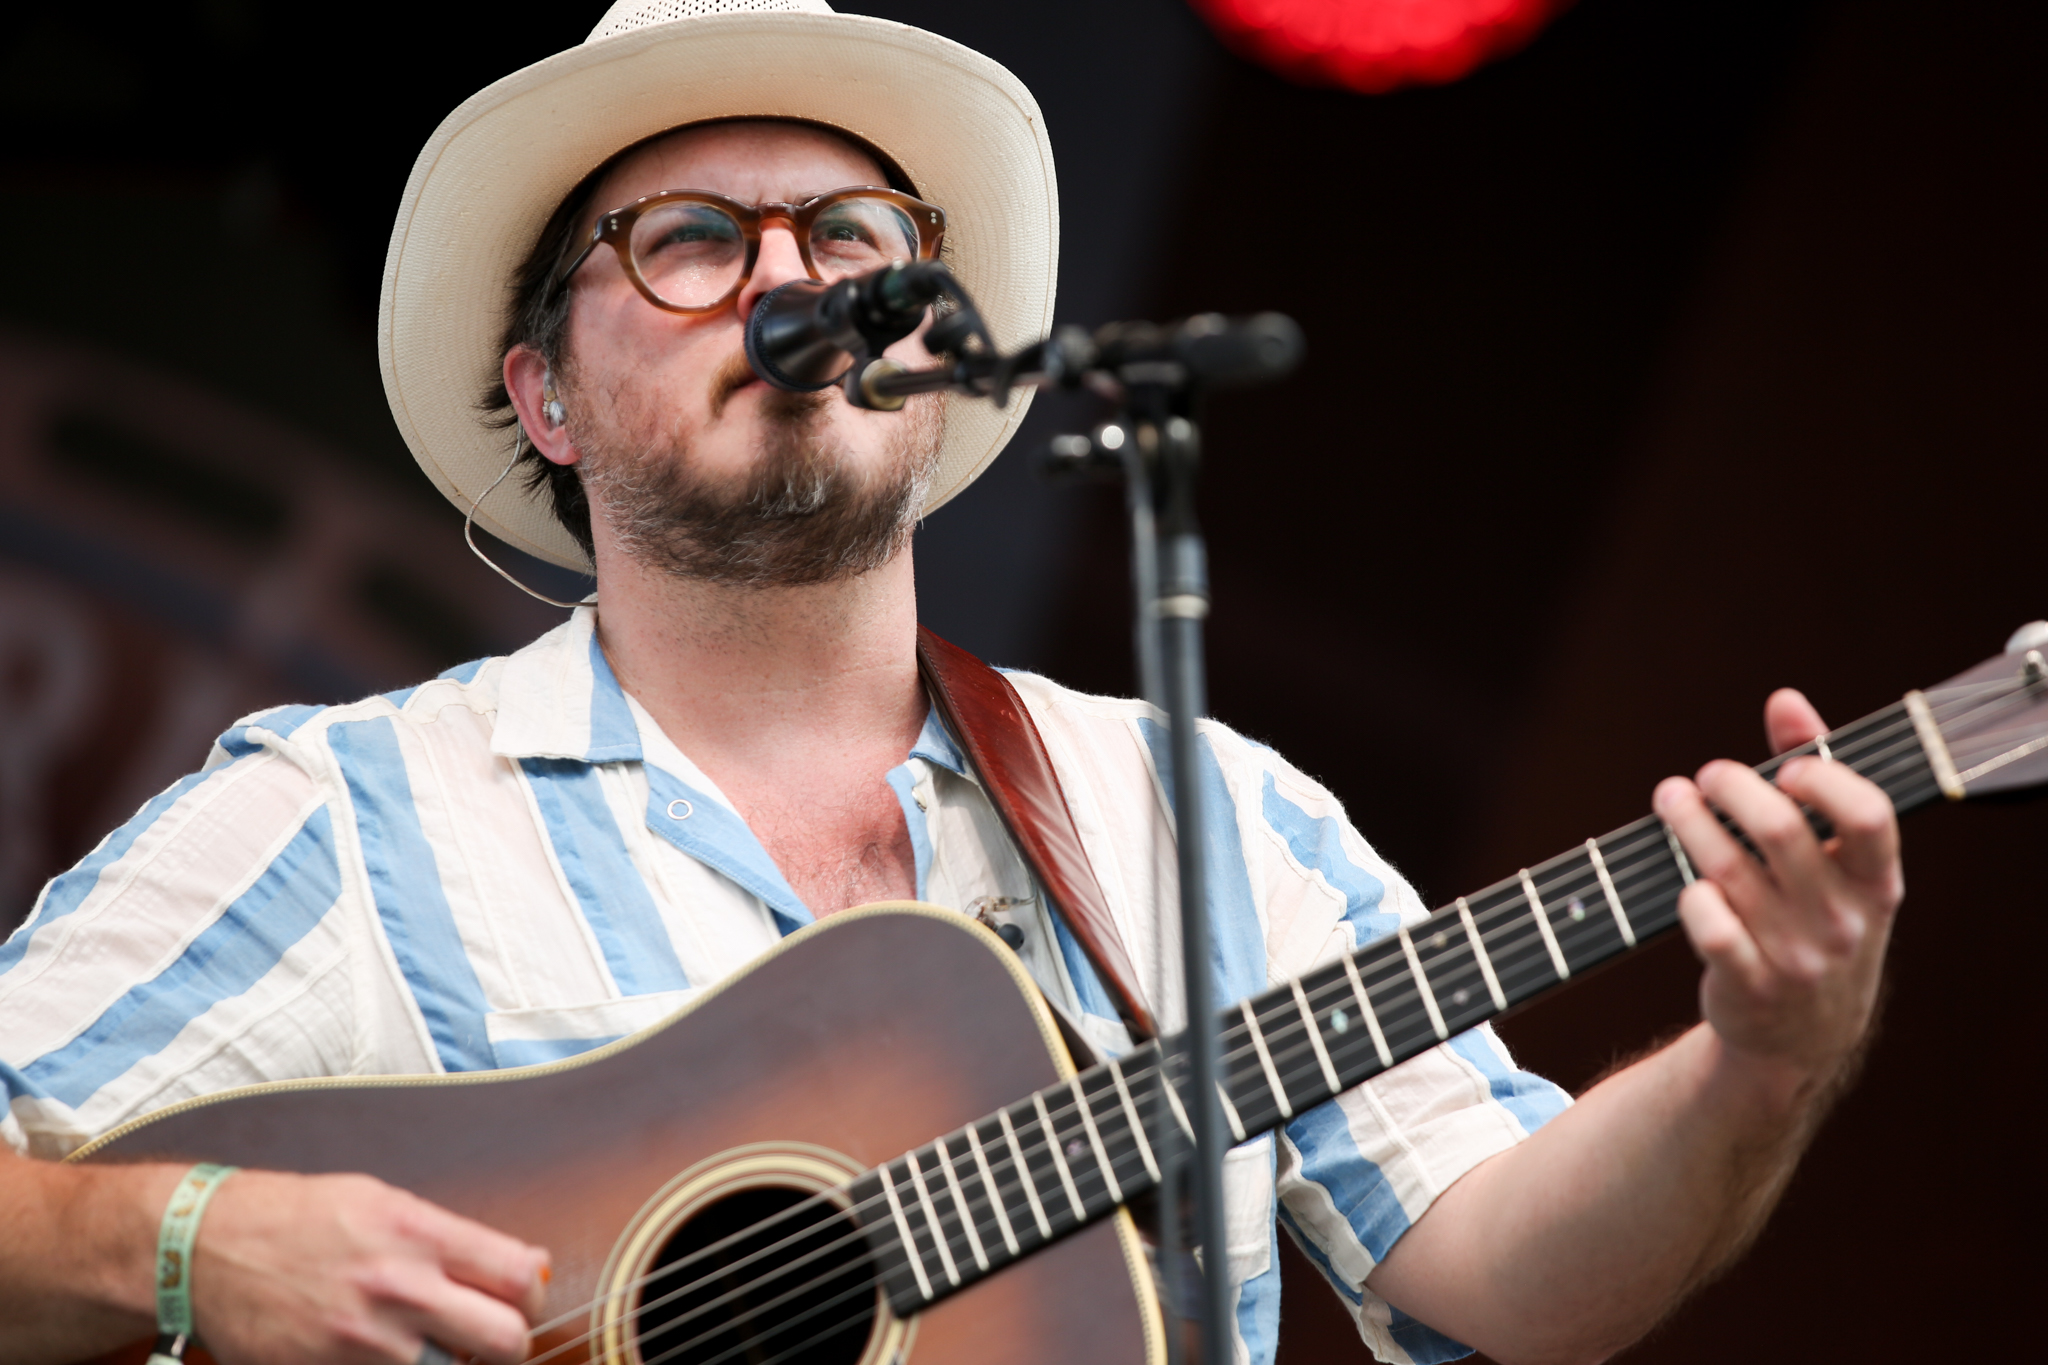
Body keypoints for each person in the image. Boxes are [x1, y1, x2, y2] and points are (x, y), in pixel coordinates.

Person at [0, 4, 1904, 1365]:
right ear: (546, 398)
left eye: (847, 241)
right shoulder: (346, 815)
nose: (784, 283)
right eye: (684, 241)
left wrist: (1766, 1057)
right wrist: (188, 1240)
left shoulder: (1201, 814)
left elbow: (1499, 1272)